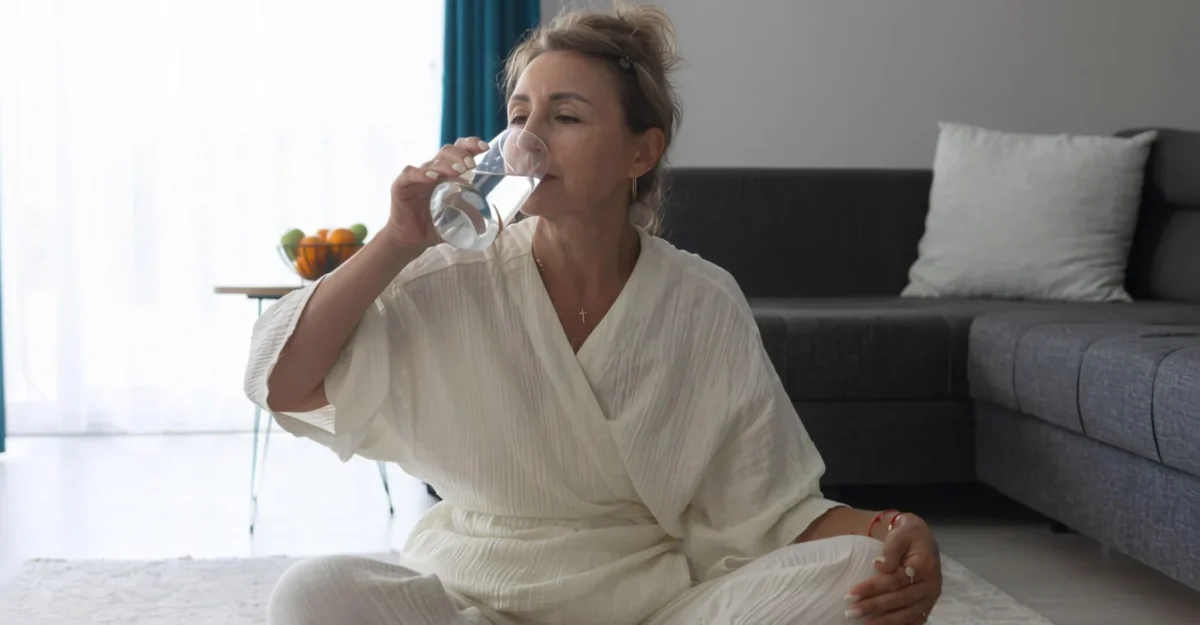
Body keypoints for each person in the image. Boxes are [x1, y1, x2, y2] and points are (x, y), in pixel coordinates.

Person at [244, 3, 943, 624]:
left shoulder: (701, 300)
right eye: (519, 116)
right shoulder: (447, 272)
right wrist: (397, 240)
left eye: (566, 117)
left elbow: (774, 509)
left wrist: (893, 527)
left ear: (642, 152)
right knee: (313, 594)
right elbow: (283, 383)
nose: (529, 139)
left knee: (859, 574)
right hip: (474, 599)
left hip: (651, 606)